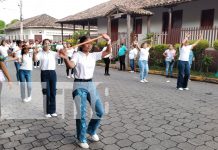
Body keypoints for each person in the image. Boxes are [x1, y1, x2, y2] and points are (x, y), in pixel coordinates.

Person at [59, 34, 112, 149]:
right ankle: (81, 138)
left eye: (91, 43)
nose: (89, 45)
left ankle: (91, 130)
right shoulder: (77, 55)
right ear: (81, 45)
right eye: (87, 43)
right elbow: (70, 66)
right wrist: (65, 58)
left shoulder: (93, 55)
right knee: (82, 114)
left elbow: (107, 51)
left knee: (100, 111)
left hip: (91, 84)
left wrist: (108, 41)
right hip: (79, 85)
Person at [33, 39, 58, 118]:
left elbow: (62, 55)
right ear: (43, 44)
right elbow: (35, 59)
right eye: (45, 43)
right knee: (46, 92)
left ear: (50, 45)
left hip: (53, 74)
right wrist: (34, 53)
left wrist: (64, 49)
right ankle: (46, 111)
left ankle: (53, 110)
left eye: (48, 43)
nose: (47, 45)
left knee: (53, 92)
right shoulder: (40, 53)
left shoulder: (54, 53)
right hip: (44, 74)